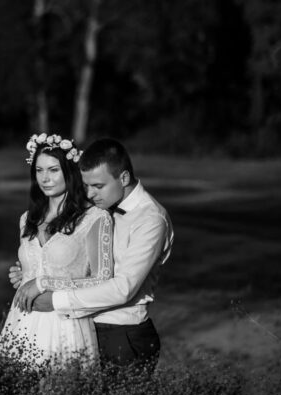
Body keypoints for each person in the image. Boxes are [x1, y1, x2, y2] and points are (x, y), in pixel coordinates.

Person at [12, 137, 174, 369]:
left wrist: (53, 297)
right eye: (86, 185)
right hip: (81, 326)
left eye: (98, 186)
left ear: (124, 178)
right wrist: (33, 270)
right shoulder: (99, 208)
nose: (90, 194)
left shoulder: (150, 219)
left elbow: (123, 288)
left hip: (121, 333)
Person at [0, 133, 114, 367]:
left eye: (53, 170)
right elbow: (38, 265)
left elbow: (103, 279)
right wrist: (22, 275)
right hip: (21, 321)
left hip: (64, 323)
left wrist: (43, 283)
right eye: (39, 170)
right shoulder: (27, 219)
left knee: (59, 386)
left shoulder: (95, 218)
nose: (45, 178)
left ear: (70, 171)